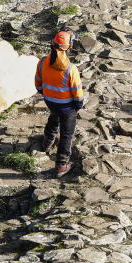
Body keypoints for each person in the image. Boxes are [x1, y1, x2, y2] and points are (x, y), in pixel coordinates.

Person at [36, 30, 85, 177]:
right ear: (69, 47)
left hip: (50, 102)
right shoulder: (71, 69)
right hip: (67, 108)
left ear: (52, 44)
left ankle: (47, 141)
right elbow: (78, 94)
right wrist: (78, 107)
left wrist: (49, 96)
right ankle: (61, 166)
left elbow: (38, 85)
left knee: (54, 116)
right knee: (66, 135)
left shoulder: (43, 62)